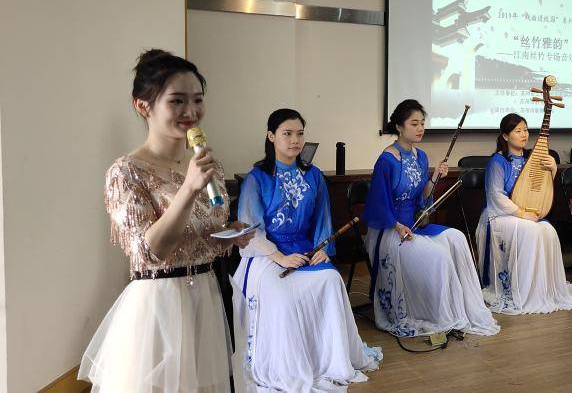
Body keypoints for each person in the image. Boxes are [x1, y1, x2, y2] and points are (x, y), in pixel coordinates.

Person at [80, 49, 252, 392]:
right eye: (177, 101)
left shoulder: (207, 165)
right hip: (160, 305)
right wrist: (188, 189)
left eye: (198, 99)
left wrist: (229, 234)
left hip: (207, 296)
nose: (191, 111)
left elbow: (201, 233)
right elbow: (149, 252)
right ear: (143, 106)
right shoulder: (126, 172)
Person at [231, 108, 382, 391]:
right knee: (281, 295)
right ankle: (290, 365)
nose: (295, 140)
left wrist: (324, 249)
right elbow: (250, 232)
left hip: (305, 249)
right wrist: (280, 257)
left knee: (331, 279)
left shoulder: (313, 176)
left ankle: (326, 359)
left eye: (299, 134)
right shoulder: (256, 178)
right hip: (266, 253)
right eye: (287, 134)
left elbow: (323, 219)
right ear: (271, 136)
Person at [362, 99, 499, 337]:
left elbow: (423, 197)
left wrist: (435, 177)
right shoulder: (386, 161)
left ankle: (464, 309)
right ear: (399, 127)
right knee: (439, 255)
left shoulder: (421, 156)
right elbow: (378, 205)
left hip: (415, 223)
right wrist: (397, 225)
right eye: (414, 124)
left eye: (422, 123)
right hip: (391, 229)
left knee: (458, 238)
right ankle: (440, 315)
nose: (420, 128)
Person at [477, 113, 572, 314]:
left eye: (525, 130)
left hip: (526, 213)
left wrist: (552, 169)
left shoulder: (531, 158)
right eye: (518, 131)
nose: (524, 134)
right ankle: (522, 290)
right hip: (500, 215)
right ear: (505, 136)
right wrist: (521, 213)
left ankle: (542, 290)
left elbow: (541, 188)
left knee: (549, 231)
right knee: (532, 230)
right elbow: (496, 195)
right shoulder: (497, 161)